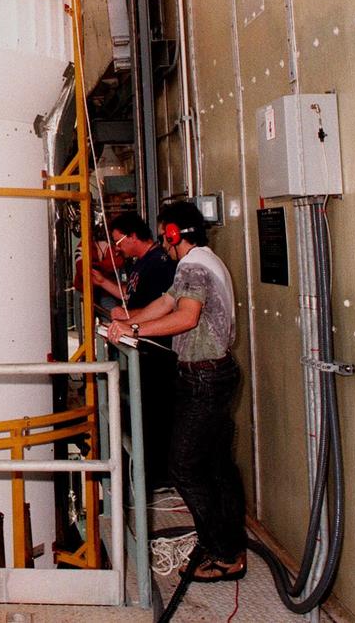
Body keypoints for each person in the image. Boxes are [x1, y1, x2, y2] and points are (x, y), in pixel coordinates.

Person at [103, 201, 247, 582]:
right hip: (208, 374)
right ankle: (229, 547)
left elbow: (186, 317)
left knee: (184, 467)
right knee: (217, 466)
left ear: (171, 233)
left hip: (205, 377)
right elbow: (166, 302)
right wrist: (129, 317)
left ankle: (222, 552)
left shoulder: (195, 265)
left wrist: (133, 331)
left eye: (164, 232)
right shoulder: (196, 261)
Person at [101, 211, 177, 486]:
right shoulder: (141, 264)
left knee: (157, 415)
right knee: (146, 413)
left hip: (157, 350)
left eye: (120, 242)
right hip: (143, 347)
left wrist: (131, 321)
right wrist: (103, 284)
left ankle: (157, 477)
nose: (117, 248)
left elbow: (161, 307)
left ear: (134, 236)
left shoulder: (159, 265)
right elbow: (133, 296)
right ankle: (150, 474)